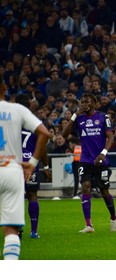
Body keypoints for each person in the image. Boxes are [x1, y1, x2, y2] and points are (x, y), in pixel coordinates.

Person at [0, 74, 49, 259]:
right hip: (16, 167)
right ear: (4, 88)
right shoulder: (18, 111)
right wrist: (36, 164)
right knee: (30, 198)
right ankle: (33, 231)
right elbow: (44, 134)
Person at [62, 93, 116, 233]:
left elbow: (111, 137)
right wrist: (75, 114)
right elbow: (64, 134)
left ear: (94, 103)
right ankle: (89, 225)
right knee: (86, 187)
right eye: (82, 101)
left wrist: (103, 153)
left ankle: (113, 218)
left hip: (101, 160)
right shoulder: (79, 118)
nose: (84, 104)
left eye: (87, 101)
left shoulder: (103, 117)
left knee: (104, 192)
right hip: (85, 160)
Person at [15, 94, 52, 239]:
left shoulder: (10, 121)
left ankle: (17, 229)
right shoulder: (35, 122)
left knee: (14, 198)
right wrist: (46, 167)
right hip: (31, 164)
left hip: (14, 164)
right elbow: (42, 147)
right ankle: (34, 231)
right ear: (29, 105)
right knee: (32, 196)